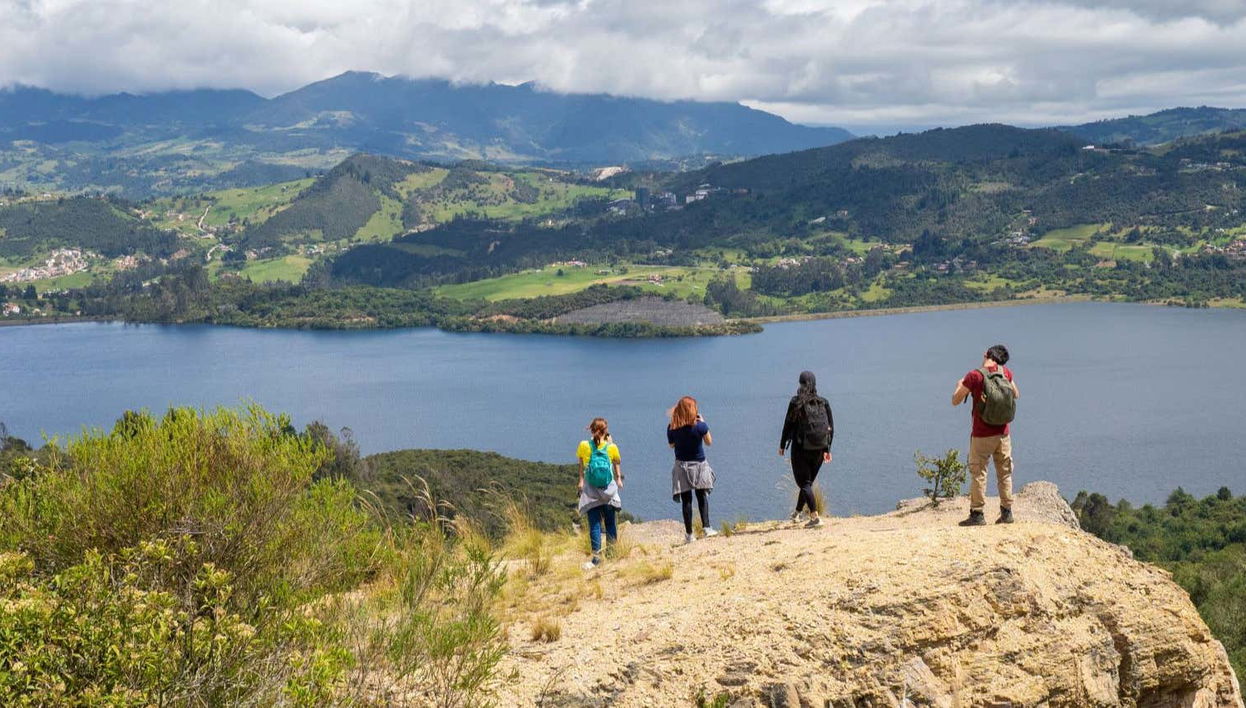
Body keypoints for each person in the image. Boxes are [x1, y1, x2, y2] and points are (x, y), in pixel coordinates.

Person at [951, 344, 1020, 526]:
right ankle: (1006, 513)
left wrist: (959, 385)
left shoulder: (975, 375)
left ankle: (977, 514)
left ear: (985, 354)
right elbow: (1016, 394)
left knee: (979, 473)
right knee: (1004, 473)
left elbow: (955, 400)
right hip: (1003, 433)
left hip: (982, 434)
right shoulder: (1006, 373)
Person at [779, 371, 834, 528]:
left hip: (801, 448)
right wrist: (828, 450)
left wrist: (782, 445)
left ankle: (815, 517)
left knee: (804, 483)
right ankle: (797, 513)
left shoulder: (796, 402)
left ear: (801, 384)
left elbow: (787, 424)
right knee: (807, 484)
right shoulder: (824, 402)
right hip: (820, 449)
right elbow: (832, 427)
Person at [667, 396, 716, 544]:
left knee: (686, 500)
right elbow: (709, 442)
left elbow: (671, 445)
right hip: (699, 465)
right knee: (702, 497)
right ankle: (706, 528)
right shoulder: (700, 426)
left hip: (681, 465)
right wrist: (704, 423)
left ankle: (689, 534)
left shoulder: (672, 427)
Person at [577, 417, 622, 569]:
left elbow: (581, 463)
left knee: (595, 525)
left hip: (591, 492)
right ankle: (612, 554)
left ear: (591, 430)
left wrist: (581, 481)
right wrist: (610, 443)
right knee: (610, 523)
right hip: (608, 492)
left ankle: (596, 559)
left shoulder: (584, 445)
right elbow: (617, 461)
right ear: (606, 431)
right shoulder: (611, 447)